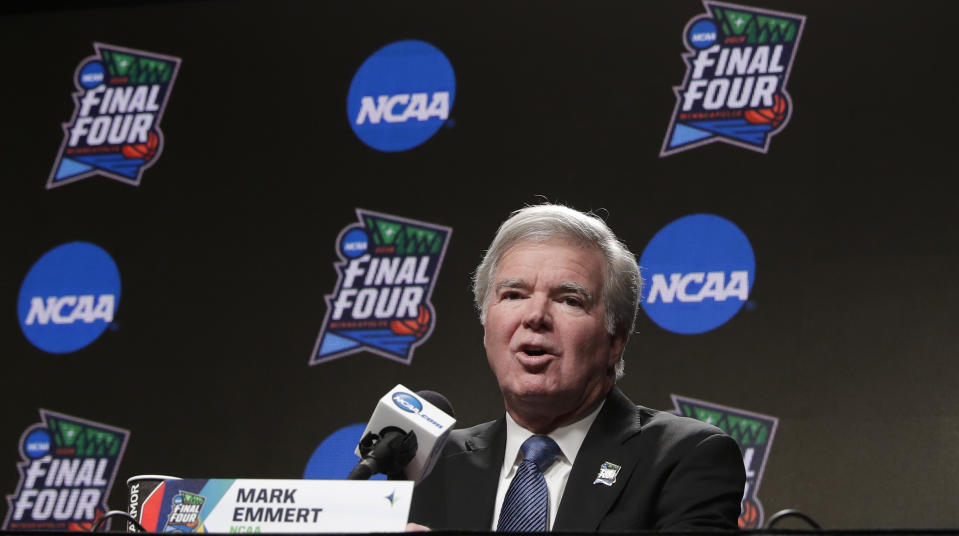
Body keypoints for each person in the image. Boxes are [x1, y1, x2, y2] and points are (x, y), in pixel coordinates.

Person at [408, 204, 745, 532]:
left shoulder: (684, 458)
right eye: (514, 295)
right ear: (486, 327)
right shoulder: (431, 467)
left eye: (569, 300)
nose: (535, 316)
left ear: (616, 340)